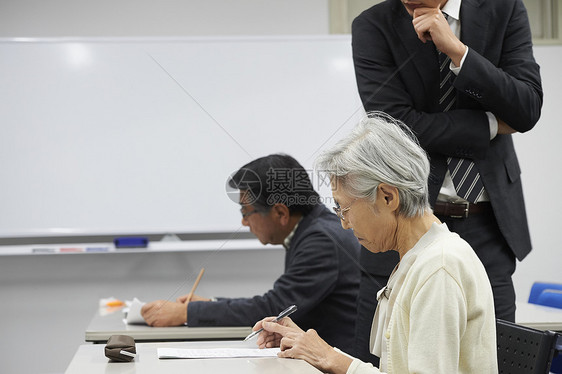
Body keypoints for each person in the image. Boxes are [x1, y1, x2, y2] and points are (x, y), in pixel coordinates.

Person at [351, 0, 542, 343]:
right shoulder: (373, 24)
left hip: (487, 224)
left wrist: (458, 52)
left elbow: (526, 107)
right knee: (383, 352)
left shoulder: (504, 9)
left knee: (493, 354)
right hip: (403, 226)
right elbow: (395, 125)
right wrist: (489, 123)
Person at [253, 113, 498, 373]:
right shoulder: (418, 257)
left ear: (387, 197)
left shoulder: (439, 267)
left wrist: (331, 358)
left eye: (344, 208)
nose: (344, 223)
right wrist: (311, 348)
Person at [141, 154, 361, 352]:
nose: (244, 222)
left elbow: (274, 308)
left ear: (280, 212)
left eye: (246, 212)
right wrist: (209, 303)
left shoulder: (321, 240)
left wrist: (186, 313)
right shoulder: (314, 228)